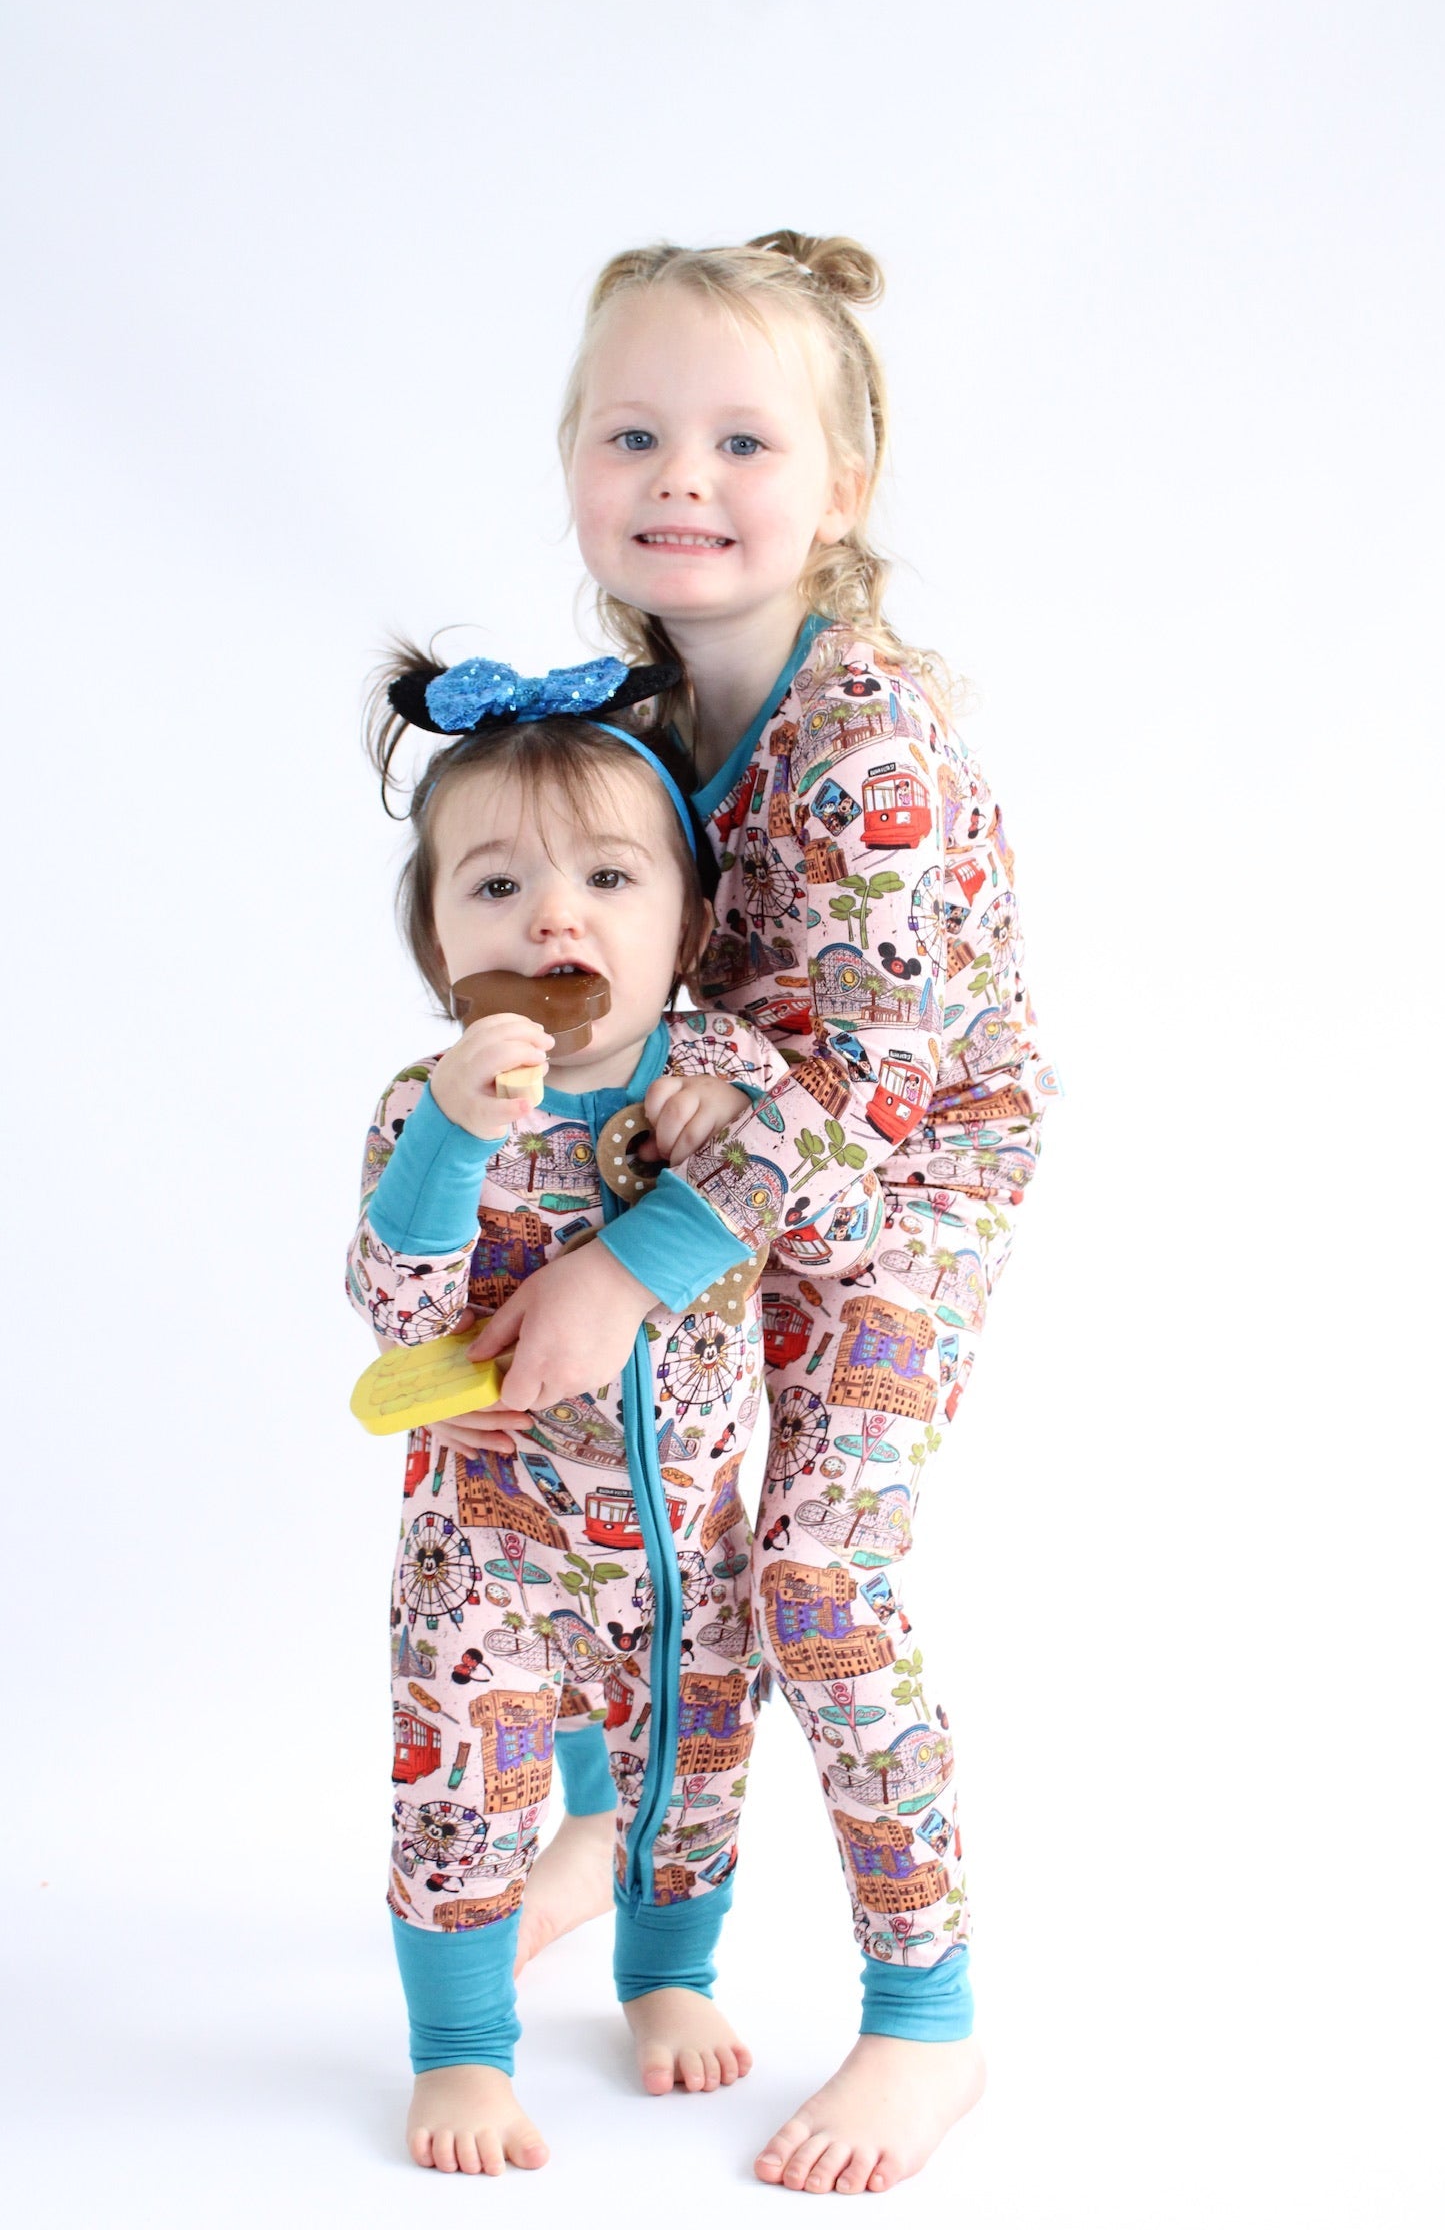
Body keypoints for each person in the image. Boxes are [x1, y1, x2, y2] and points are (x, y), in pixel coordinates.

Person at [462, 229, 1058, 2196]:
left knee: (812, 1570)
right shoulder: (634, 710)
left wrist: (639, 1267)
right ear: (573, 459)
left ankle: (926, 2018)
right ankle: (606, 1822)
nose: (683, 480)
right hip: (707, 1136)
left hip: (908, 1172)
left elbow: (874, 1090)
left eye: (743, 441)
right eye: (633, 434)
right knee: (598, 1482)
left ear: (845, 487)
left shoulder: (867, 742)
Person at [348, 652, 884, 2174]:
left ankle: (665, 1974)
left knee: (687, 1787)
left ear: (691, 925)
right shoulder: (422, 1106)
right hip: (488, 1558)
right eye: (496, 886)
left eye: (606, 877)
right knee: (462, 1798)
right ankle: (460, 2051)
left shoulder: (732, 1073)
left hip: (689, 1552)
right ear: (438, 942)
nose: (553, 921)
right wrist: (454, 1139)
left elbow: (844, 1228)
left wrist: (737, 1138)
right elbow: (394, 1301)